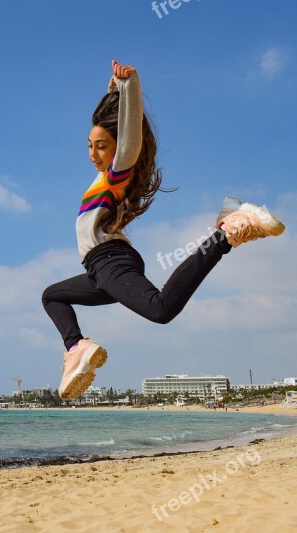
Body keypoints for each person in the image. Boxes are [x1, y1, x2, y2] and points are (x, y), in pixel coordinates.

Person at [42, 60, 285, 402]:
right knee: (52, 295)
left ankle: (224, 233)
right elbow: (118, 122)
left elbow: (129, 137)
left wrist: (131, 87)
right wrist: (114, 93)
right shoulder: (100, 180)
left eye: (102, 146)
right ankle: (76, 347)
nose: (94, 154)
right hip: (98, 271)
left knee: (160, 309)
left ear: (116, 149)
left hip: (110, 261)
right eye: (89, 145)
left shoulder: (116, 174)